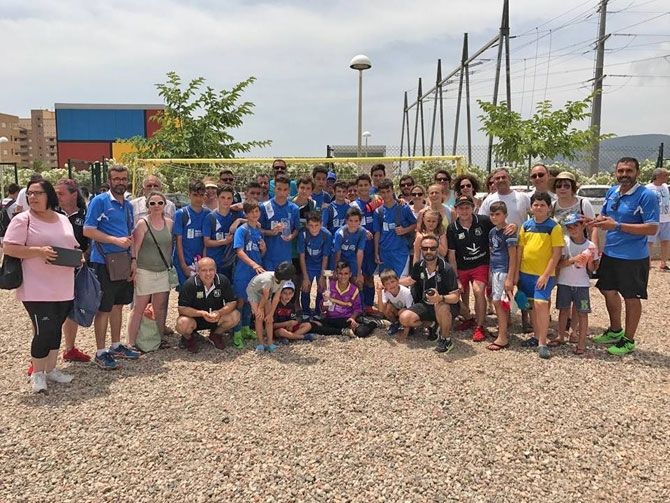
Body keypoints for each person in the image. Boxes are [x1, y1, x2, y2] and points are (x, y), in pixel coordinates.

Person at [3, 179, 81, 392]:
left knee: (55, 328)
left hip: (63, 284)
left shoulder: (62, 218)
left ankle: (51, 369)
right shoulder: (22, 219)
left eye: (38, 193)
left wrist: (77, 257)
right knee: (43, 330)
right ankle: (37, 373)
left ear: (49, 196)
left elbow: (71, 244)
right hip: (36, 287)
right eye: (30, 193)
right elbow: (9, 248)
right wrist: (38, 251)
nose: (32, 197)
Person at [590, 157, 659, 356]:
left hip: (633, 257)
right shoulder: (612, 191)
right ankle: (615, 330)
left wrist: (618, 226)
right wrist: (592, 221)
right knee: (607, 290)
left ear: (637, 173)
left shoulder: (646, 195)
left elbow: (652, 227)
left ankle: (628, 340)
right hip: (610, 253)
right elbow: (604, 216)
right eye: (620, 171)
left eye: (629, 171)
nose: (624, 175)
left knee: (631, 297)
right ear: (616, 173)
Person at [83, 164, 140, 370]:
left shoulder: (128, 206)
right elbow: (88, 230)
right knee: (104, 307)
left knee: (118, 305)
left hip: (123, 261)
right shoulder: (99, 201)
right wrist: (114, 240)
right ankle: (100, 352)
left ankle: (116, 345)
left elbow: (130, 235)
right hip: (103, 261)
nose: (120, 182)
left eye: (123, 179)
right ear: (109, 181)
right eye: (116, 179)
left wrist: (133, 259)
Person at [479, 168, 532, 331]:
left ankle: (526, 320)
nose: (500, 180)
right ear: (493, 181)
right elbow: (483, 221)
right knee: (503, 291)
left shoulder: (522, 197)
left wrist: (516, 226)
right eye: (497, 178)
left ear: (509, 178)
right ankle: (506, 321)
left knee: (522, 285)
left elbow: (533, 216)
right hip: (500, 252)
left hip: (521, 247)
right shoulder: (489, 199)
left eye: (503, 177)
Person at [516, 191, 564, 359]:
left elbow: (556, 254)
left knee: (541, 304)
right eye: (536, 204)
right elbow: (520, 250)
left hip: (544, 275)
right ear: (531, 207)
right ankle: (536, 337)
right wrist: (516, 273)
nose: (539, 207)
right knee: (531, 307)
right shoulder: (526, 226)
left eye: (542, 205)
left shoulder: (554, 227)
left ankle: (543, 343)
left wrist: (545, 275)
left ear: (549, 208)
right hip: (525, 273)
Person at [126, 191, 174, 348]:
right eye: (152, 203)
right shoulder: (142, 223)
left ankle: (159, 339)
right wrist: (134, 264)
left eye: (160, 203)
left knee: (159, 308)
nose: (156, 206)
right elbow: (135, 247)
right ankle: (131, 342)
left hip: (162, 271)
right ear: (148, 206)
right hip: (144, 270)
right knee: (138, 308)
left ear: (164, 205)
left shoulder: (169, 223)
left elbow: (169, 246)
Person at [399, 235, 460, 352]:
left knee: (441, 307)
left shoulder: (446, 269)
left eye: (432, 248)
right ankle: (432, 324)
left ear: (437, 249)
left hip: (444, 305)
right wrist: (391, 283)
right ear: (421, 249)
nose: (428, 251)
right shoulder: (418, 266)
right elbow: (411, 280)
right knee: (404, 318)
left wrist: (440, 298)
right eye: (425, 248)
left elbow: (456, 297)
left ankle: (445, 339)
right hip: (425, 304)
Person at [446, 195, 496, 342]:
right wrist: (456, 278)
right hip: (461, 266)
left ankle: (480, 326)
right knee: (459, 293)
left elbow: (499, 228)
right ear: (456, 209)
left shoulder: (484, 221)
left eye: (467, 207)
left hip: (480, 264)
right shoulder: (452, 228)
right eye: (461, 208)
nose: (464, 211)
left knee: (478, 290)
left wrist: (511, 227)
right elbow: (452, 255)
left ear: (473, 208)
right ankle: (468, 318)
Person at [54, 179, 91, 363]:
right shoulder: (51, 214)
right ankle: (39, 358)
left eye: (61, 193)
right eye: (56, 193)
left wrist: (84, 255)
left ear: (74, 194)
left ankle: (70, 348)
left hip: (76, 268)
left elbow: (90, 241)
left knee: (72, 308)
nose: (57, 197)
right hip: (51, 270)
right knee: (50, 313)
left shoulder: (85, 215)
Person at [553, 213, 598, 355]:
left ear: (582, 225)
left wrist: (588, 261)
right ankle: (561, 336)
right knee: (563, 310)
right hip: (564, 283)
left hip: (582, 285)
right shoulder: (564, 242)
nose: (573, 229)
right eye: (569, 227)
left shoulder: (590, 246)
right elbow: (558, 263)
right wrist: (573, 260)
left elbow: (592, 269)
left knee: (583, 313)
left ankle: (581, 343)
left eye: (575, 226)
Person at [176, 257, 240, 353]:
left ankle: (216, 335)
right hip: (195, 319)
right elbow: (182, 308)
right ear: (197, 271)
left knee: (235, 315)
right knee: (182, 323)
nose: (208, 273)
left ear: (215, 270)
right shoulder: (189, 284)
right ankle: (188, 338)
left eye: (211, 270)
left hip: (215, 317)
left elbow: (232, 302)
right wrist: (201, 313)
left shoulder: (223, 280)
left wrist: (219, 312)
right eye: (204, 270)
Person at [232, 200, 266, 348]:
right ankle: (236, 333)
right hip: (243, 271)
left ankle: (246, 328)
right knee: (240, 301)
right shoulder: (242, 230)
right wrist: (253, 264)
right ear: (245, 214)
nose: (254, 214)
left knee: (250, 300)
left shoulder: (258, 231)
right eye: (251, 211)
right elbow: (239, 251)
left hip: (255, 272)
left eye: (257, 211)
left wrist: (264, 249)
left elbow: (260, 253)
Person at [486, 201, 518, 351]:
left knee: (499, 302)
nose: (494, 217)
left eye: (498, 214)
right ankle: (503, 330)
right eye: (492, 214)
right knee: (499, 302)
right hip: (495, 270)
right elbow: (492, 252)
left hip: (504, 271)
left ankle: (503, 337)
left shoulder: (509, 232)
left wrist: (510, 278)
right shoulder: (492, 232)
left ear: (505, 215)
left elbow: (513, 257)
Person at [246, 261, 295, 353]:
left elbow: (276, 298)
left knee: (269, 319)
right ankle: (260, 344)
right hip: (254, 292)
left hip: (267, 293)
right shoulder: (268, 280)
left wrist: (271, 314)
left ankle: (270, 343)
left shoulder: (282, 281)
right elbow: (264, 296)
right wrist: (260, 309)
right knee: (259, 317)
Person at [373, 178, 417, 277]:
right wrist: (376, 252)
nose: (386, 195)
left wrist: (405, 230)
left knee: (401, 281)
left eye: (388, 191)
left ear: (393, 191)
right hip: (384, 253)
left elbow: (416, 224)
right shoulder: (378, 212)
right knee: (386, 282)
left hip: (400, 252)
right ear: (379, 193)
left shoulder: (404, 208)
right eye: (383, 192)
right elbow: (377, 233)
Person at [311, 261, 365, 337]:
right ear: (336, 274)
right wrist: (326, 301)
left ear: (350, 274)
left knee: (361, 332)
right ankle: (343, 331)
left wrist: (352, 318)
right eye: (340, 273)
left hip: (346, 319)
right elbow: (323, 309)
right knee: (312, 327)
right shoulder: (329, 286)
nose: (343, 276)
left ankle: (374, 323)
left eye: (346, 273)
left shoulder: (354, 289)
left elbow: (357, 308)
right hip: (331, 319)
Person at [173, 180, 210, 287]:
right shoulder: (181, 214)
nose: (198, 198)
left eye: (201, 195)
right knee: (185, 292)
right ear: (189, 194)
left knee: (201, 292)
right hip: (184, 261)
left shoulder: (208, 214)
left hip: (201, 263)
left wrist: (204, 264)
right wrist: (183, 266)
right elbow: (178, 241)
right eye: (195, 195)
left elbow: (206, 242)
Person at [260, 175, 300, 271]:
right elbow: (258, 229)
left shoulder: (294, 208)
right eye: (279, 189)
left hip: (286, 256)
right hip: (268, 256)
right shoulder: (264, 206)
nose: (282, 192)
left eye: (285, 189)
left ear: (289, 190)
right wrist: (270, 232)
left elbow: (297, 229)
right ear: (274, 189)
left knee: (285, 280)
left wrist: (291, 236)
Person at [203, 185, 244, 279]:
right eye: (223, 197)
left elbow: (254, 221)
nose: (226, 201)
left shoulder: (237, 215)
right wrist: (225, 241)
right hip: (215, 262)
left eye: (229, 198)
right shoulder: (210, 217)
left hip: (232, 263)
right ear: (217, 198)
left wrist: (239, 220)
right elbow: (207, 242)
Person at [349, 174, 377, 308]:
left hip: (372, 246)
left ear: (370, 186)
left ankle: (369, 306)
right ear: (357, 187)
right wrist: (362, 230)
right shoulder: (353, 206)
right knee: (357, 277)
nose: (363, 187)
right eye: (360, 185)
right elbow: (349, 224)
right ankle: (358, 306)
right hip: (358, 247)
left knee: (369, 277)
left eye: (366, 185)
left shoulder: (377, 202)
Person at [297, 212, 331, 316]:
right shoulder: (303, 234)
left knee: (321, 287)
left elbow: (326, 256)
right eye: (311, 225)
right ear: (307, 225)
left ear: (321, 224)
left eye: (316, 225)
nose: (314, 228)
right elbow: (301, 256)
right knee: (306, 287)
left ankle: (318, 312)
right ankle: (306, 312)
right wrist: (305, 277)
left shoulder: (326, 235)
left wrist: (322, 276)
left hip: (321, 265)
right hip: (308, 265)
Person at [333, 207, 367, 288]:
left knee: (358, 282)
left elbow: (360, 252)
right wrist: (335, 269)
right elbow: (337, 253)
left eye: (356, 221)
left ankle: (358, 296)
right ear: (346, 221)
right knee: (340, 281)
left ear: (360, 221)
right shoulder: (340, 233)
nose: (353, 224)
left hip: (352, 258)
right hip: (341, 258)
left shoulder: (362, 232)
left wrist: (359, 272)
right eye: (350, 221)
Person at [375, 269, 414, 340]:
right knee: (387, 307)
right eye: (387, 284)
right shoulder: (386, 292)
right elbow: (381, 310)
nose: (391, 285)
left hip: (407, 313)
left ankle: (408, 327)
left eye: (392, 282)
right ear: (384, 285)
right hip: (396, 311)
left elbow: (411, 311)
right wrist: (379, 293)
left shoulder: (406, 292)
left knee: (402, 311)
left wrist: (405, 334)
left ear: (398, 280)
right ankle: (396, 323)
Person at [645, 167, 670, 270]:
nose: (667, 177)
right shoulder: (648, 188)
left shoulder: (665, 187)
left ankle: (663, 263)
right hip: (653, 220)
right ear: (658, 176)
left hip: (666, 219)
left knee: (665, 241)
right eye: (665, 175)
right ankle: (647, 263)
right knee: (649, 242)